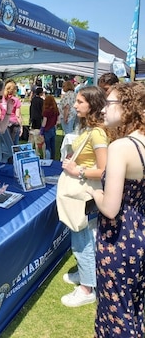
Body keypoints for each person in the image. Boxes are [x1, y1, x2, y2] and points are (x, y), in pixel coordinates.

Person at [88, 82, 145, 337]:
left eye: (109, 103)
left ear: (128, 107)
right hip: (139, 232)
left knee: (116, 312)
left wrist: (95, 193)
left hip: (118, 239)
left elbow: (110, 208)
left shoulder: (121, 147)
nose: (103, 110)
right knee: (134, 307)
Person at [61, 86, 108, 307]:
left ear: (92, 105)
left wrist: (76, 170)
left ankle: (87, 288)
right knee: (81, 236)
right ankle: (85, 274)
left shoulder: (97, 132)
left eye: (80, 101)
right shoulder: (89, 128)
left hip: (87, 193)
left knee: (84, 239)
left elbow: (104, 169)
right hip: (85, 191)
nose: (75, 105)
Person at [0, 80, 22, 145]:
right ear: (14, 90)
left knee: (5, 144)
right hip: (14, 123)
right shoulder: (16, 100)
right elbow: (17, 115)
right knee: (15, 145)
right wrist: (21, 127)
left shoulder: (0, 100)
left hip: (4, 123)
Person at [40, 95, 59, 159]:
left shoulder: (46, 111)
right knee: (52, 145)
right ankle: (53, 158)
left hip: (47, 129)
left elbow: (44, 121)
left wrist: (42, 130)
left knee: (47, 146)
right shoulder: (56, 110)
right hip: (53, 128)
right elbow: (57, 120)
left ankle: (48, 159)